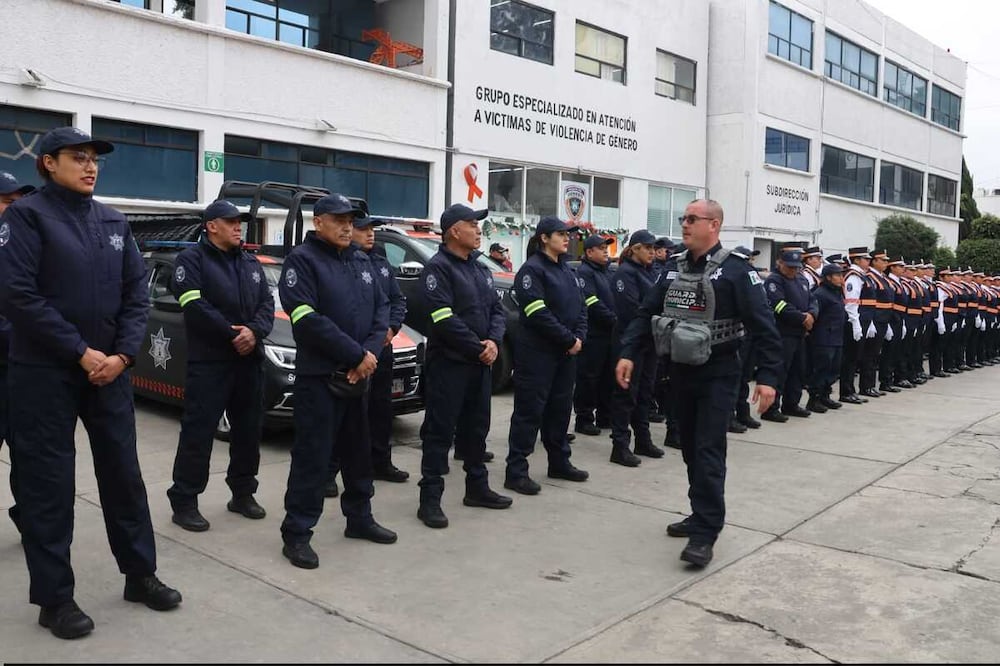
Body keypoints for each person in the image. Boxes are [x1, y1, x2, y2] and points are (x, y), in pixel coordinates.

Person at [0, 127, 181, 639]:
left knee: (124, 476)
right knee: (49, 486)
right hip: (45, 372)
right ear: (48, 164)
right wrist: (80, 352)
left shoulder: (114, 222)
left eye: (94, 159)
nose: (89, 166)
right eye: (77, 158)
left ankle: (140, 575)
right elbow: (16, 296)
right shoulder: (27, 218)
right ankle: (54, 599)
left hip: (110, 374)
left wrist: (123, 354)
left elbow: (135, 296)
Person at [616, 199, 781, 568]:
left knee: (708, 450)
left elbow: (764, 326)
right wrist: (628, 352)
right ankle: (698, 511)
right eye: (683, 218)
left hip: (719, 373)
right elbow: (647, 314)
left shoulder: (737, 272)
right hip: (680, 372)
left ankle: (706, 531)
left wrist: (768, 378)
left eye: (692, 219)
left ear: (714, 225)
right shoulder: (671, 269)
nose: (685, 225)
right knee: (689, 446)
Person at [278, 193, 397, 570]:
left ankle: (359, 518)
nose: (348, 226)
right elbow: (307, 319)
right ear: (319, 222)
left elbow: (383, 310)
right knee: (313, 459)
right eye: (339, 219)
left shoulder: (362, 261)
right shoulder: (302, 261)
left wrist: (369, 354)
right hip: (321, 380)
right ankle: (297, 534)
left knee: (358, 455)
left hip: (359, 376)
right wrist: (356, 356)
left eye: (351, 220)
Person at [166, 200, 275, 532]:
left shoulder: (250, 263)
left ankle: (242, 493)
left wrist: (254, 332)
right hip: (211, 362)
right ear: (211, 225)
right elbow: (194, 304)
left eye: (239, 222)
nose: (238, 226)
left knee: (247, 431)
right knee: (198, 433)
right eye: (231, 222)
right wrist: (233, 334)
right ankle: (184, 501)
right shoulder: (191, 260)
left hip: (248, 361)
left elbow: (267, 302)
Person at [415, 204, 511, 529]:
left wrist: (494, 342)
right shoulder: (438, 270)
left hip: (479, 364)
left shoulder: (479, 269)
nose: (477, 229)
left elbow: (497, 310)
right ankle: (429, 498)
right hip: (450, 365)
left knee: (477, 428)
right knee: (440, 432)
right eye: (472, 224)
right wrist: (477, 347)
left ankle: (477, 488)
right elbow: (443, 319)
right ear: (454, 230)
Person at [324, 217, 410, 498]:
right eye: (364, 229)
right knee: (345, 418)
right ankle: (329, 472)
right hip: (353, 353)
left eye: (373, 229)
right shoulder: (342, 263)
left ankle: (380, 462)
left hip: (381, 350)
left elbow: (395, 300)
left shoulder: (381, 262)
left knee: (380, 410)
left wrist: (391, 328)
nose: (370, 234)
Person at [505, 216, 589, 495]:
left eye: (568, 234)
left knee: (560, 409)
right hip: (538, 354)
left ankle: (559, 461)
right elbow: (537, 313)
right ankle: (516, 471)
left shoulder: (567, 271)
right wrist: (568, 339)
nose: (567, 238)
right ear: (544, 238)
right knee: (530, 411)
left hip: (566, 354)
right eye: (560, 234)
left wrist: (579, 338)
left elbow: (581, 309)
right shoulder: (532, 271)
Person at [609, 229, 663, 467]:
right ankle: (620, 446)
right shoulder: (625, 274)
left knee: (644, 393)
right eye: (648, 248)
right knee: (626, 396)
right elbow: (631, 310)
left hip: (650, 343)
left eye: (654, 248)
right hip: (630, 344)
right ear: (635, 249)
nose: (652, 253)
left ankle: (643, 439)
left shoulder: (650, 273)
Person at [0, 171, 35, 533]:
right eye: (9, 201)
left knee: (28, 455)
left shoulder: (24, 248)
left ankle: (28, 518)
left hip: (22, 373)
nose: (16, 208)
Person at [761, 248, 817, 421]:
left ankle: (791, 404)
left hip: (800, 333)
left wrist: (812, 314)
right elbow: (778, 305)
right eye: (789, 267)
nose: (793, 270)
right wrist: (802, 318)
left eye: (796, 267)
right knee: (780, 371)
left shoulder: (801, 279)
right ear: (780, 263)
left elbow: (812, 300)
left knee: (798, 370)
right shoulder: (774, 281)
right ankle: (770, 408)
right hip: (783, 333)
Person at [573, 234, 616, 436]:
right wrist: (613, 319)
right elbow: (590, 302)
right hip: (594, 334)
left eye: (606, 247)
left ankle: (605, 416)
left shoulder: (606, 272)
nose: (605, 250)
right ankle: (584, 418)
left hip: (609, 335)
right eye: (601, 248)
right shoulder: (585, 273)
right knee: (589, 377)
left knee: (607, 376)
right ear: (589, 252)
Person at [806, 264, 846, 412]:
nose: (841, 278)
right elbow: (815, 314)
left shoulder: (836, 292)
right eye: (838, 275)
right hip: (823, 338)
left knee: (833, 369)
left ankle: (825, 396)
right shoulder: (820, 293)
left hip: (836, 337)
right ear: (828, 277)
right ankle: (814, 399)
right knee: (821, 369)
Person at [839, 247, 873, 405]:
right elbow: (851, 304)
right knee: (850, 358)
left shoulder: (862, 276)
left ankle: (850, 390)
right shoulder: (853, 277)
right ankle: (846, 392)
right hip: (854, 321)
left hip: (863, 320)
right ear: (857, 260)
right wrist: (855, 324)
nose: (868, 261)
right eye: (865, 259)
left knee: (855, 357)